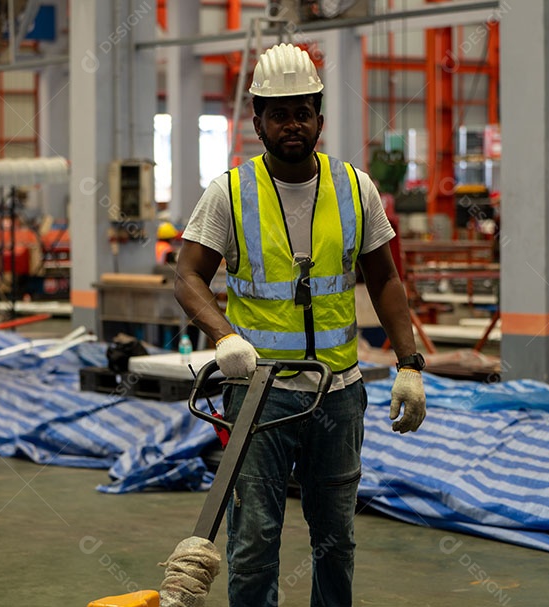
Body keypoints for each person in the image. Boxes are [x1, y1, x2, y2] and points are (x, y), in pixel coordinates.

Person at [175, 43, 427, 607]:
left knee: (336, 539)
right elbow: (188, 276)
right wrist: (225, 337)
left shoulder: (356, 188)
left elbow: (385, 280)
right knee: (255, 539)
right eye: (278, 113)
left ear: (319, 117)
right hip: (259, 392)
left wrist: (409, 364)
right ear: (258, 122)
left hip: (338, 392)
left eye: (302, 112)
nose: (292, 124)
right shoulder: (229, 192)